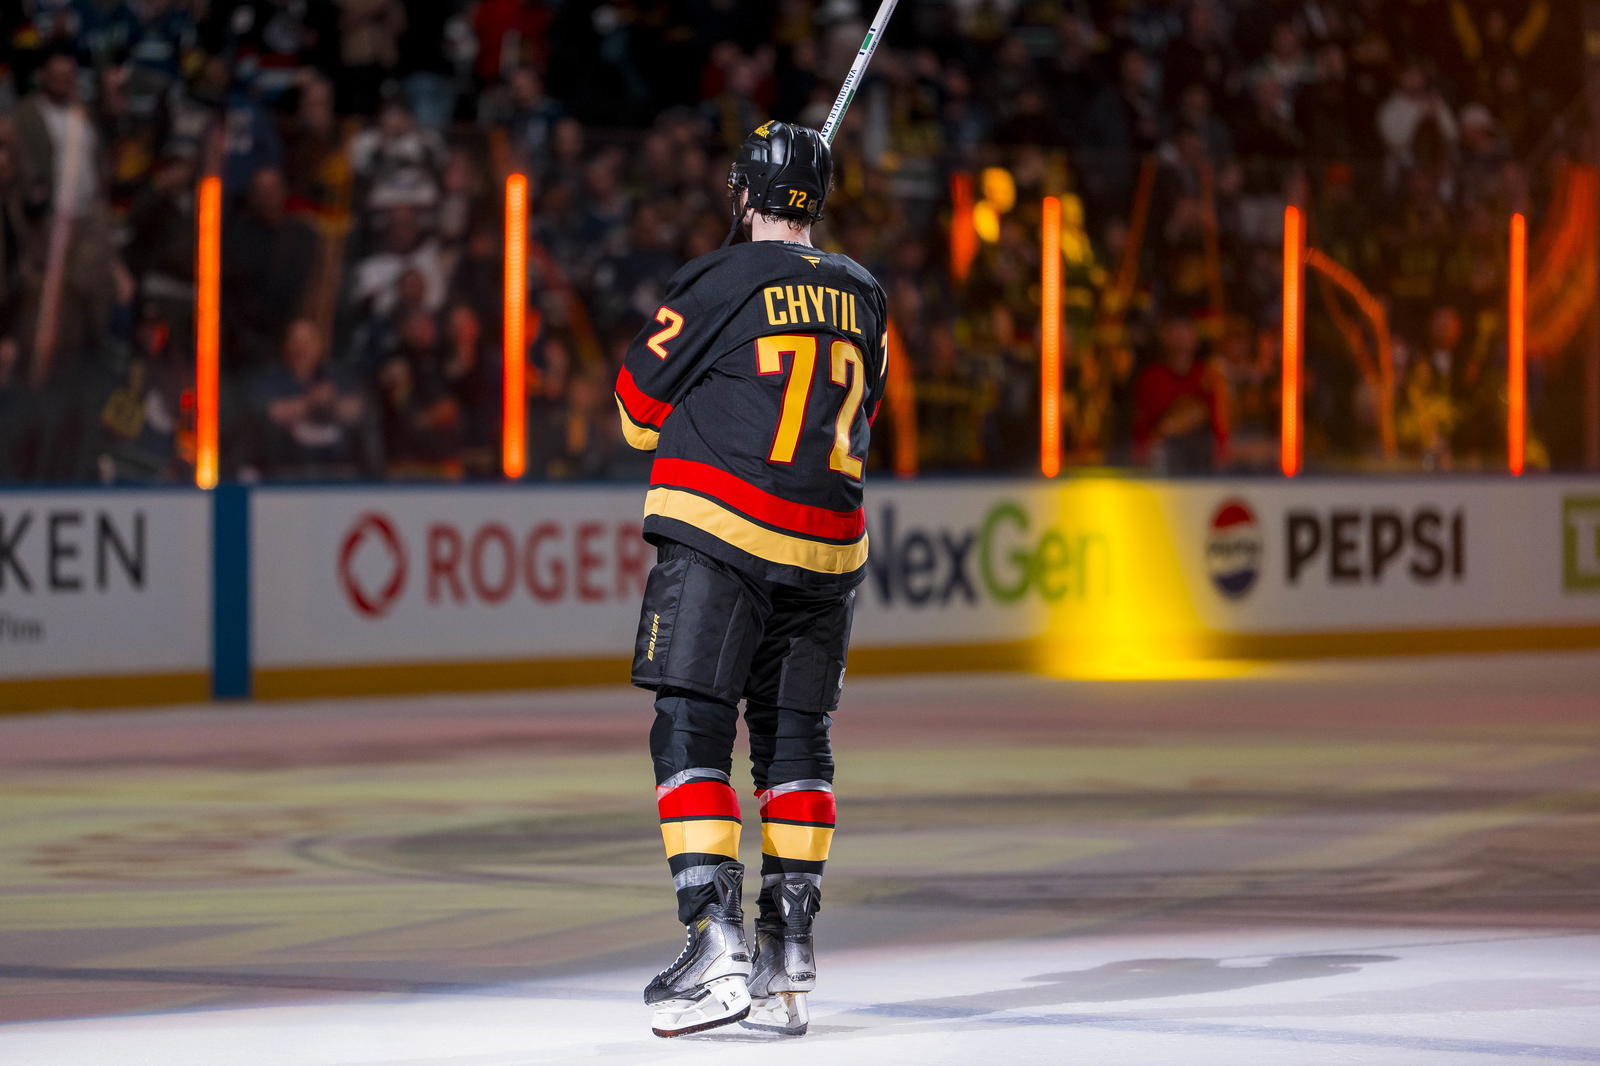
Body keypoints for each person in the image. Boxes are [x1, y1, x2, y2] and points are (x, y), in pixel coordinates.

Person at [613, 121, 887, 1038]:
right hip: (829, 545)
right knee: (794, 739)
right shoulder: (866, 293)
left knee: (690, 723)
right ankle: (789, 948)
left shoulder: (720, 280)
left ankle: (714, 939)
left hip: (726, 531)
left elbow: (632, 413)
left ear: (744, 195)